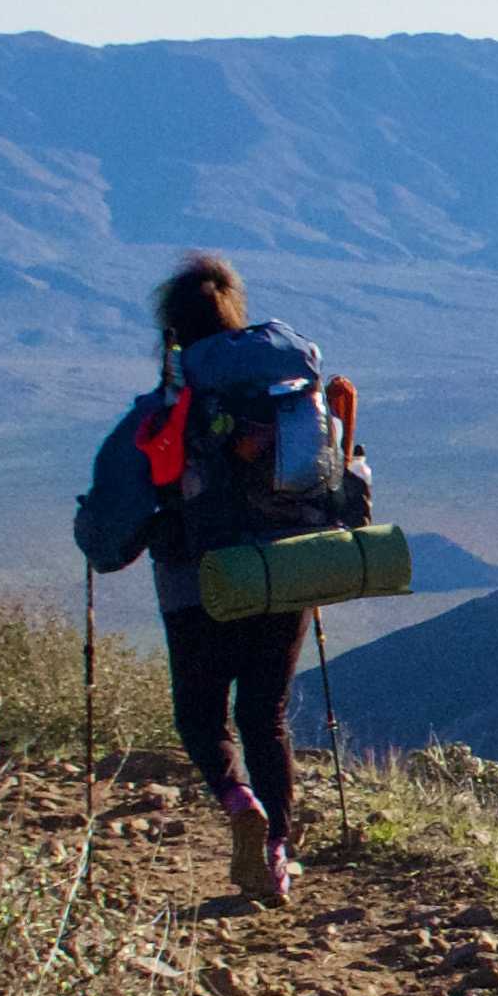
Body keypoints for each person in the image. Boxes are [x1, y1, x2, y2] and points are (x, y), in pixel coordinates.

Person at [96, 252, 333, 905]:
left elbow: (109, 528)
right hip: (286, 575)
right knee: (267, 715)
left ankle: (237, 802)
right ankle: (279, 854)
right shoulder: (286, 397)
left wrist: (106, 538)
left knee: (202, 719)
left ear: (172, 333)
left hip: (196, 587)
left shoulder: (164, 411)